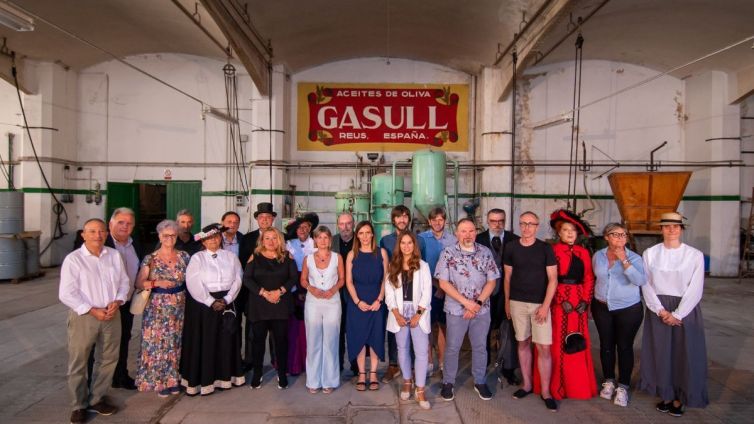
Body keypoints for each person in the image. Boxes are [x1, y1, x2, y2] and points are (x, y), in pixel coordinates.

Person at [59, 218, 130, 424]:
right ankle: (79, 405)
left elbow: (124, 282)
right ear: (83, 234)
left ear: (106, 234)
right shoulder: (74, 260)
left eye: (101, 232)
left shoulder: (114, 256)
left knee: (108, 359)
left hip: (111, 314)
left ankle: (97, 398)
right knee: (78, 361)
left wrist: (119, 300)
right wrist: (92, 310)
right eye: (92, 231)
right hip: (85, 316)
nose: (97, 235)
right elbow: (66, 293)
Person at [640, 212, 708, 417]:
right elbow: (646, 284)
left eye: (675, 226)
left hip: (684, 309)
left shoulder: (694, 255)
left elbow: (696, 287)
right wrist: (660, 310)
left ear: (681, 229)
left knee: (684, 353)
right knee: (660, 353)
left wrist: (678, 314)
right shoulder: (650, 253)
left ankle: (681, 397)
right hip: (658, 308)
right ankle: (666, 394)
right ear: (661, 229)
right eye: (667, 226)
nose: (671, 230)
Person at [436, 218, 499, 401]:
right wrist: (466, 302)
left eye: (471, 231)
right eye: (463, 231)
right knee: (453, 347)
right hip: (456, 310)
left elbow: (492, 280)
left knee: (480, 347)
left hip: (481, 309)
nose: (468, 234)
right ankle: (448, 382)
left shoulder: (485, 252)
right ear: (456, 233)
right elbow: (443, 282)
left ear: (476, 232)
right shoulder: (448, 253)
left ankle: (480, 381)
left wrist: (477, 304)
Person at [181, 224, 245, 395]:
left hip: (226, 302)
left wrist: (227, 299)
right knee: (206, 340)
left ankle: (226, 378)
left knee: (226, 340)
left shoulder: (231, 257)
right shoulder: (197, 258)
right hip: (204, 305)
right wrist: (210, 301)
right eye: (209, 238)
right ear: (203, 241)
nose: (213, 240)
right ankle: (205, 380)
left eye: (216, 237)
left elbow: (238, 278)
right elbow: (193, 282)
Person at [503, 211, 558, 412]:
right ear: (519, 225)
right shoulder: (511, 247)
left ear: (537, 226)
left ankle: (545, 391)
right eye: (523, 223)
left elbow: (553, 279)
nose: (526, 227)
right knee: (523, 342)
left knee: (543, 347)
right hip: (517, 303)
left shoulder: (545, 249)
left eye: (530, 224)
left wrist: (545, 306)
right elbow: (507, 277)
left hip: (539, 305)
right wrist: (508, 303)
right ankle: (526, 384)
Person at [91, 207, 145, 391]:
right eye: (121, 222)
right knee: (95, 345)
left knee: (123, 339)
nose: (125, 226)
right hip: (101, 305)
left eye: (129, 223)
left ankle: (120, 375)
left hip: (126, 302)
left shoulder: (135, 243)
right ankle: (91, 383)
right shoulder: (100, 242)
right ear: (111, 223)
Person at [592, 222, 646, 407]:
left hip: (628, 309)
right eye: (615, 234)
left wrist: (624, 261)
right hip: (601, 307)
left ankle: (623, 386)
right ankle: (608, 380)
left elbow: (640, 280)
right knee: (606, 345)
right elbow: (595, 277)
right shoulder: (597, 256)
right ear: (606, 237)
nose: (620, 238)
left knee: (624, 346)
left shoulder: (635, 258)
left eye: (623, 235)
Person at [134, 220, 190, 397]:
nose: (170, 238)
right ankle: (159, 381)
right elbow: (138, 282)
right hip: (157, 308)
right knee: (158, 345)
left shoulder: (184, 256)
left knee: (175, 343)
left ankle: (174, 379)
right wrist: (157, 282)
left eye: (173, 235)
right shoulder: (151, 258)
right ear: (159, 236)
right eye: (166, 235)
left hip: (180, 306)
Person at [546, 209, 597, 401]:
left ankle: (577, 385)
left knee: (578, 341)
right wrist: (560, 299)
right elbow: (548, 278)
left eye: (573, 231)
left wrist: (585, 300)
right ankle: (558, 386)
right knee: (558, 341)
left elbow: (589, 278)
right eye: (565, 230)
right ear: (559, 232)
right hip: (558, 302)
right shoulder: (552, 251)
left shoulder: (584, 253)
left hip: (579, 304)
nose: (569, 233)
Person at [243, 227, 298, 390]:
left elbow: (293, 277)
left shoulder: (287, 256)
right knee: (258, 342)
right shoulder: (255, 256)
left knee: (281, 342)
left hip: (280, 304)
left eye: (274, 238)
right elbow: (247, 278)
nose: (271, 241)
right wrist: (264, 293)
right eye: (267, 238)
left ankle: (282, 374)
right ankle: (258, 373)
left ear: (279, 240)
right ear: (262, 240)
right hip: (259, 305)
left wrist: (279, 291)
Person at [386, 231, 432, 409]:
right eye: (403, 243)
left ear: (414, 245)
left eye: (409, 243)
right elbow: (389, 293)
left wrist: (418, 314)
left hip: (418, 315)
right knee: (402, 349)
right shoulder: (393, 266)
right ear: (399, 246)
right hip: (399, 315)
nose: (406, 246)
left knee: (421, 352)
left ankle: (420, 389)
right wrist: (396, 314)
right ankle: (407, 380)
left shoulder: (423, 266)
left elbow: (427, 293)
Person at [475, 208, 521, 386]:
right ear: (488, 221)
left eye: (501, 221)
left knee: (508, 330)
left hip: (508, 293)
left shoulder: (514, 240)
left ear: (505, 221)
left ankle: (508, 368)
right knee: (483, 328)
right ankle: (483, 364)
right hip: (484, 292)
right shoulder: (478, 239)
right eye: (493, 221)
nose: (497, 224)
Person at [379, 205, 424, 383]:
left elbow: (422, 265)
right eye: (398, 217)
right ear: (393, 220)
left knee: (414, 328)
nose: (402, 220)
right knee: (394, 329)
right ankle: (393, 365)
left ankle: (412, 368)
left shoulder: (419, 240)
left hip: (413, 291)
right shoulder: (385, 241)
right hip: (394, 291)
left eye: (405, 216)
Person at [301, 226, 345, 393]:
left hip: (332, 302)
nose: (323, 241)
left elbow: (342, 279)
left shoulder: (337, 258)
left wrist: (332, 290)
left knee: (331, 341)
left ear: (330, 240)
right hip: (313, 302)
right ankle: (313, 381)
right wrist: (312, 290)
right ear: (315, 239)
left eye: (326, 237)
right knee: (313, 341)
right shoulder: (308, 259)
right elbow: (303, 280)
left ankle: (329, 381)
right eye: (319, 237)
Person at [346, 221, 389, 391]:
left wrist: (380, 299)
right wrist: (357, 301)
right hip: (357, 301)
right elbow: (349, 281)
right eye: (361, 233)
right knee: (360, 338)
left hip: (376, 301)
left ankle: (373, 374)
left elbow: (386, 278)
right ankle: (362, 374)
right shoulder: (352, 255)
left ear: (372, 234)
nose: (364, 236)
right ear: (357, 235)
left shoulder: (382, 253)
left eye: (367, 232)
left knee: (376, 337)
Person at [418, 207, 456, 377]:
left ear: (445, 221)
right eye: (434, 220)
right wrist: (434, 285)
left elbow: (455, 266)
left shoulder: (453, 240)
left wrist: (443, 287)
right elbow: (419, 264)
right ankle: (428, 362)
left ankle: (442, 362)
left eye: (441, 219)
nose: (437, 223)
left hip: (447, 290)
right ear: (429, 221)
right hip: (427, 289)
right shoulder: (422, 239)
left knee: (443, 326)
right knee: (427, 326)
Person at [239, 202, 277, 371]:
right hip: (254, 292)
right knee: (252, 330)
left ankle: (277, 361)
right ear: (257, 219)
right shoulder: (247, 239)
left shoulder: (280, 237)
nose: (265, 220)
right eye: (261, 217)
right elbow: (242, 265)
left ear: (273, 219)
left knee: (276, 331)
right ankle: (251, 361)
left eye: (268, 217)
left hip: (276, 291)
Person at [285, 213, 319, 376]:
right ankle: (293, 363)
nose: (303, 229)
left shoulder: (316, 244)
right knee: (293, 327)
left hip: (311, 286)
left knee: (309, 326)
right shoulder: (288, 244)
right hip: (292, 287)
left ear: (311, 228)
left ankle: (309, 362)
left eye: (306, 227)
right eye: (300, 227)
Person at [331, 212, 356, 374]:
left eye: (348, 223)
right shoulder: (331, 241)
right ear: (338, 225)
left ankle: (356, 367)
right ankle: (337, 365)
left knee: (354, 331)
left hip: (355, 293)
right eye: (342, 224)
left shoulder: (361, 240)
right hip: (336, 293)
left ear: (353, 224)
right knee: (337, 331)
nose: (345, 227)